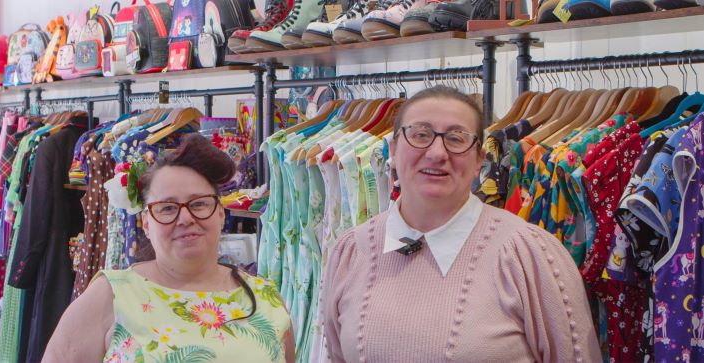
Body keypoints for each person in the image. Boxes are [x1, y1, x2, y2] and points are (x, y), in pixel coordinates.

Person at [322, 86, 602, 363]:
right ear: (393, 149)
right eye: (420, 135)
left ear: (480, 158)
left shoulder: (531, 256)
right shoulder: (351, 252)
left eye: (456, 139)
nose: (436, 152)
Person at [43, 134, 295, 363]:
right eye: (167, 208)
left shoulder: (265, 298)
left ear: (220, 213)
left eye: (198, 204)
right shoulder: (112, 296)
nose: (185, 218)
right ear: (146, 223)